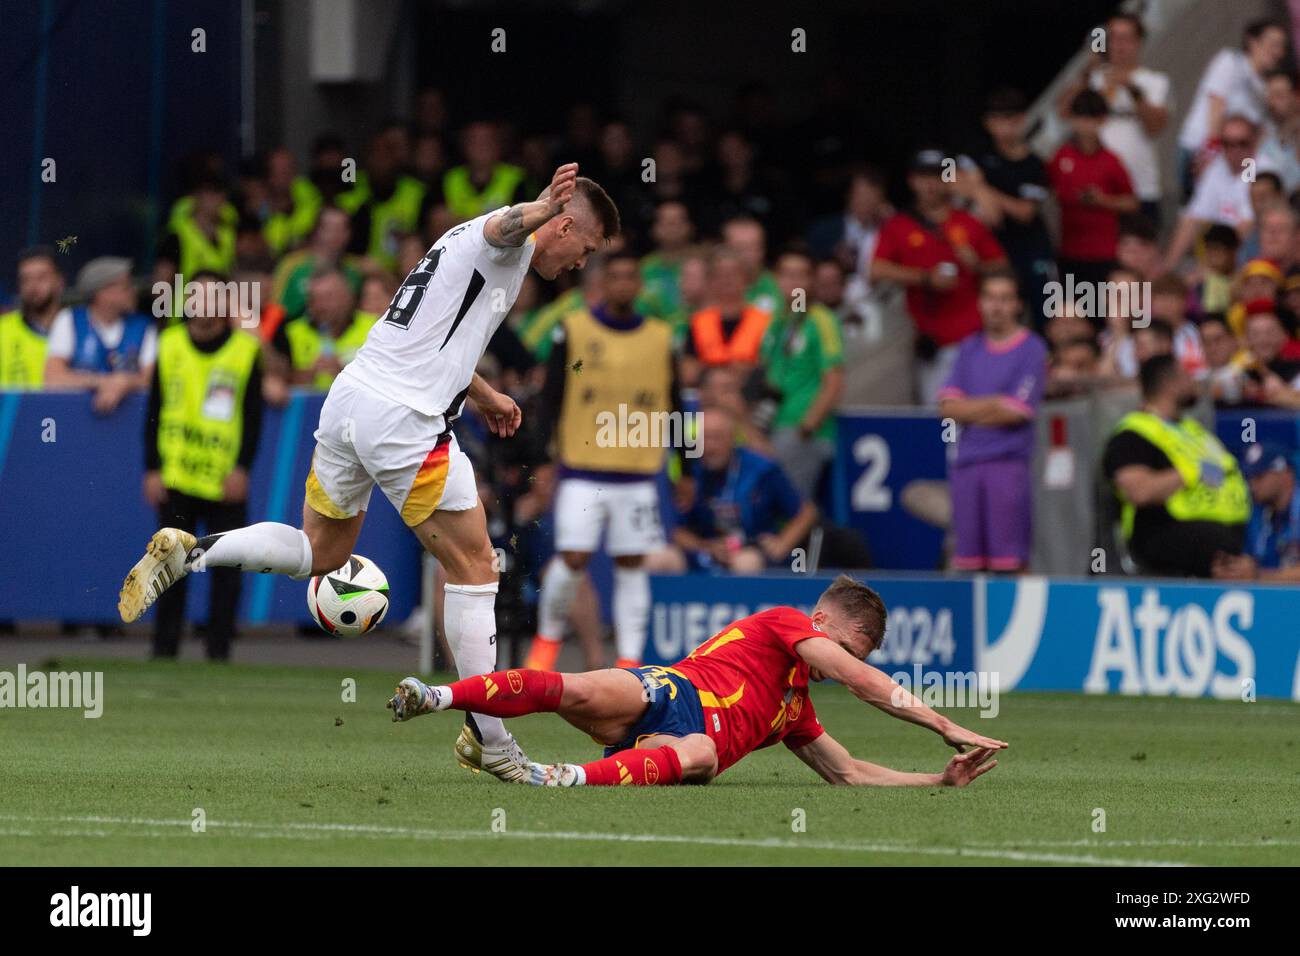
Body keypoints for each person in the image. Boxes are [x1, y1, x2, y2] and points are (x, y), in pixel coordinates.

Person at [119, 163, 619, 785]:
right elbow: (505, 226)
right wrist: (539, 209)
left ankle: (193, 552)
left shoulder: (464, 249)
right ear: (565, 226)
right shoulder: (506, 239)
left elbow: (440, 338)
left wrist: (485, 395)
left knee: (322, 551)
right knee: (477, 566)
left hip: (350, 399)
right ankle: (488, 737)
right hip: (402, 419)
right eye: (586, 250)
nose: (580, 265)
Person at [386, 576, 1007, 787]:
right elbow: (862, 680)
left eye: (849, 655)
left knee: (704, 753)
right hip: (670, 690)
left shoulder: (796, 712)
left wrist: (938, 779)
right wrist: (941, 722)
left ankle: (557, 778)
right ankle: (436, 697)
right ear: (819, 623)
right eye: (842, 647)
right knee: (575, 688)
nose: (839, 666)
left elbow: (848, 772)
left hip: (682, 748)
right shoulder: (783, 623)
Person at [524, 250, 680, 672]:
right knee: (573, 557)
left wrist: (687, 464)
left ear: (639, 285)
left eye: (632, 277)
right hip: (582, 468)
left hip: (638, 472)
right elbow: (551, 398)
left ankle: (629, 659)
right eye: (616, 277)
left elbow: (677, 404)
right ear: (601, 284)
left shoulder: (661, 338)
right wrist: (543, 460)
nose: (624, 285)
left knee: (631, 565)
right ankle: (548, 639)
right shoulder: (572, 331)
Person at [144, 272, 263, 661]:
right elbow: (154, 408)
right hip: (177, 474)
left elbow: (253, 415)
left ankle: (219, 650)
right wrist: (152, 468)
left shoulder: (244, 351)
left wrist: (242, 468)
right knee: (169, 563)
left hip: (222, 476)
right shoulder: (170, 343)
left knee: (226, 567)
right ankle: (163, 649)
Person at [870, 148, 1008, 404]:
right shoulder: (899, 225)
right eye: (923, 177)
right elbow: (876, 269)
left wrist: (975, 265)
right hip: (930, 340)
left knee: (980, 409)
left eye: (937, 176)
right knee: (939, 416)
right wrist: (925, 278)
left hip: (974, 335)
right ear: (912, 181)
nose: (930, 184)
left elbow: (1001, 266)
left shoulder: (967, 222)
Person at [937, 270, 1047, 572]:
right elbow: (947, 407)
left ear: (1018, 305)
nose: (997, 306)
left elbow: (1016, 412)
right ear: (980, 303)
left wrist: (971, 408)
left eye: (1005, 299)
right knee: (969, 563)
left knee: (1009, 563)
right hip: (966, 464)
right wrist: (995, 402)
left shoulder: (1032, 348)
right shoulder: (969, 347)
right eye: (990, 298)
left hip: (1007, 464)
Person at [1102, 354, 1249, 577]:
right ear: (1171, 384)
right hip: (1165, 539)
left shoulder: (1192, 430)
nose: (1194, 382)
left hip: (1230, 535)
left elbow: (1221, 473)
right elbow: (1139, 491)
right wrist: (1191, 473)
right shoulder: (1134, 434)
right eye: (1187, 376)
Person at [659, 403, 817, 573]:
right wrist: (704, 546)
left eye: (717, 437)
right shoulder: (690, 474)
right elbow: (674, 529)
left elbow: (806, 513)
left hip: (753, 551)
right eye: (703, 439)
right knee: (663, 558)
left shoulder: (761, 469)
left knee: (745, 562)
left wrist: (782, 544)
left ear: (732, 438)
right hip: (707, 550)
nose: (710, 446)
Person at [1058, 12, 1170, 225]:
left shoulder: (1154, 81)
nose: (1119, 46)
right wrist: (1089, 69)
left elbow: (1156, 126)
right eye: (1113, 38)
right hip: (1097, 190)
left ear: (1138, 42)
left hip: (1141, 187)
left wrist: (1131, 88)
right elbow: (1063, 112)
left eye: (1126, 39)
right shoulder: (1093, 78)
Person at [963, 88, 1056, 328]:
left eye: (1011, 120)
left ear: (1022, 120)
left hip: (1031, 248)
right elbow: (949, 173)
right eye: (998, 120)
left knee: (1044, 310)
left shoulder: (1034, 164)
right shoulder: (978, 154)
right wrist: (978, 191)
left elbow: (1025, 213)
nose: (1004, 127)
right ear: (988, 123)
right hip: (996, 251)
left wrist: (984, 189)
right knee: (998, 314)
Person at [760, 248, 844, 499]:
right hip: (773, 425)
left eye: (801, 275)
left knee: (792, 505)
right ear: (775, 279)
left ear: (811, 281)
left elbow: (835, 378)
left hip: (801, 429)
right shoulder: (778, 321)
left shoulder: (821, 320)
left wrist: (807, 427)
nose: (793, 282)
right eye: (787, 275)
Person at [1177, 18, 1288, 199]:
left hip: (1241, 159)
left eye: (1282, 46)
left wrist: (1249, 175)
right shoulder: (1230, 61)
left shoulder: (1263, 87)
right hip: (1202, 150)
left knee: (1240, 201)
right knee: (1200, 204)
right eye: (1273, 44)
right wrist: (1210, 150)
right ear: (1252, 41)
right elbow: (1217, 104)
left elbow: (1258, 134)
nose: (1278, 52)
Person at [1048, 90, 1138, 290]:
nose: (1086, 126)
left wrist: (1102, 200)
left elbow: (1132, 202)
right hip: (1070, 250)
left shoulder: (1111, 161)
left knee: (1103, 310)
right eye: (1081, 118)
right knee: (1072, 310)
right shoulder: (1061, 157)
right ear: (1072, 120)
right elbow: (1048, 191)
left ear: (1102, 120)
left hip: (1104, 252)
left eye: (1091, 119)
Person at [44, 257, 157, 414]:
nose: (134, 291)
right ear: (102, 292)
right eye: (126, 287)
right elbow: (53, 378)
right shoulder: (69, 320)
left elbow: (151, 379)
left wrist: (126, 383)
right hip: (75, 418)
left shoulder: (143, 326)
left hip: (129, 421)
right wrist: (104, 383)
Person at [1213, 443, 1300, 581]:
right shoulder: (1255, 514)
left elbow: (1258, 574)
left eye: (1259, 476)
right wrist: (1234, 571)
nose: (1251, 484)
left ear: (1285, 473)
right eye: (1248, 477)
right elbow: (1251, 562)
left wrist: (1260, 576)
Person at [0, 247, 66, 388]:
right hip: (13, 410)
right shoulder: (3, 330)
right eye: (26, 279)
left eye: (41, 277)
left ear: (60, 282)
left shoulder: (81, 328)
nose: (33, 286)